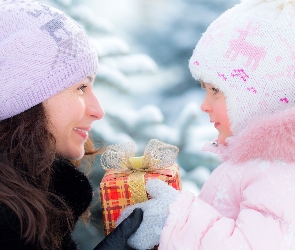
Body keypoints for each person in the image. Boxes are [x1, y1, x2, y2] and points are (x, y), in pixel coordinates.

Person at [117, 0, 295, 249]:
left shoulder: (276, 170)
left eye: (215, 91)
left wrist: (176, 217)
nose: (204, 105)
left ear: (259, 97)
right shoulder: (256, 164)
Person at [0, 0, 143, 249]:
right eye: (80, 88)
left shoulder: (30, 207)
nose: (98, 111)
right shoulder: (8, 223)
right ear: (22, 98)